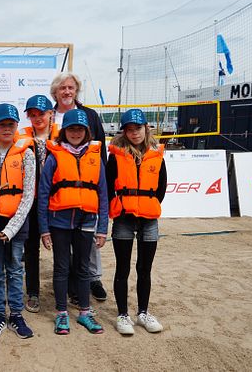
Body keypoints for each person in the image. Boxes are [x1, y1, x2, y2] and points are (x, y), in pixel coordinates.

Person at [38, 109, 108, 335]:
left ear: (87, 132)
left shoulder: (95, 158)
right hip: (59, 222)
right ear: (64, 131)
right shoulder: (54, 157)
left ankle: (85, 313)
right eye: (71, 129)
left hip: (87, 220)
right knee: (61, 268)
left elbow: (103, 195)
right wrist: (44, 229)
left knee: (83, 267)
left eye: (80, 129)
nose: (76, 133)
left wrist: (103, 229)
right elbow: (44, 193)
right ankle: (61, 314)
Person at [48, 72, 109, 305]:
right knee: (63, 248)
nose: (67, 91)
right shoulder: (50, 115)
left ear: (76, 90)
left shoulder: (90, 115)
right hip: (58, 185)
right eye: (62, 88)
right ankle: (70, 289)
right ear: (55, 92)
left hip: (86, 185)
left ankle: (93, 280)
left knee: (87, 243)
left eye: (71, 87)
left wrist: (100, 184)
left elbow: (99, 152)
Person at [106, 109, 167, 336]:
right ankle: (123, 315)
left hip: (149, 219)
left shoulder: (156, 154)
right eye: (130, 130)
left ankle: (143, 313)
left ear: (146, 128)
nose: (134, 133)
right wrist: (122, 205)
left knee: (145, 269)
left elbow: (161, 187)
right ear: (124, 132)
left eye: (138, 128)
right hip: (123, 218)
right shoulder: (117, 155)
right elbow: (109, 183)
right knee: (122, 269)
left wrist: (147, 205)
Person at [0, 103, 36, 340]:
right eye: (2, 124)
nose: (6, 129)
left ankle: (16, 315)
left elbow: (28, 194)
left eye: (11, 124)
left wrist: (11, 229)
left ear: (16, 127)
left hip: (16, 225)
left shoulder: (27, 154)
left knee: (14, 269)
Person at [19, 94, 59, 314]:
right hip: (32, 201)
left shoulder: (64, 136)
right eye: (32, 114)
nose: (37, 118)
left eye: (41, 113)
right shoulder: (21, 138)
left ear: (51, 113)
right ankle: (33, 292)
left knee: (63, 248)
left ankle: (67, 290)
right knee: (31, 249)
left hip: (57, 201)